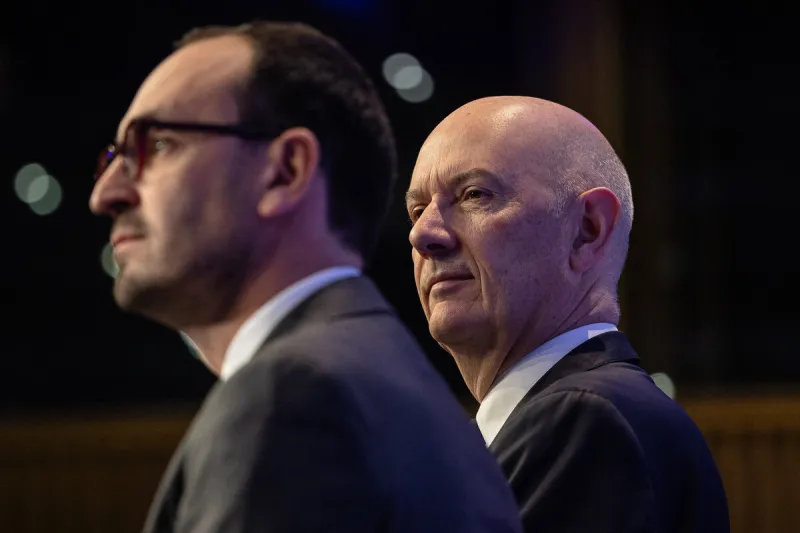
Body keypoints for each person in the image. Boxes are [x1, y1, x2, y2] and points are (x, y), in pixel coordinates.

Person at [90, 22, 522, 533]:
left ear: (285, 171)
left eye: (157, 146)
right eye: (114, 157)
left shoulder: (292, 397)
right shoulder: (389, 386)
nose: (105, 194)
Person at [406, 95, 730, 533]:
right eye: (417, 208)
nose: (423, 234)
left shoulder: (587, 423)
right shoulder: (573, 416)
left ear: (587, 230)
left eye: (473, 195)